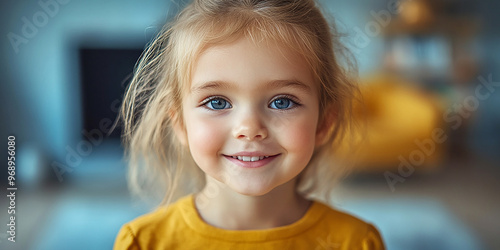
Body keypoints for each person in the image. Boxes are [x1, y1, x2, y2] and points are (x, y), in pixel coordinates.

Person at [114, 0, 385, 249]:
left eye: (282, 102)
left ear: (324, 123)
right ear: (180, 124)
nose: (249, 128)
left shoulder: (355, 242)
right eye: (217, 102)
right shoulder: (144, 243)